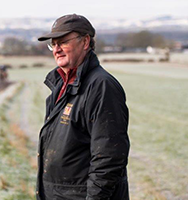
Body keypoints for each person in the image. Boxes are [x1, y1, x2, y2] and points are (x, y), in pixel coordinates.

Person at [35, 14, 129, 199]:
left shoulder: (101, 87)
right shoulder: (60, 86)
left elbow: (108, 159)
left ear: (85, 42)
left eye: (63, 42)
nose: (57, 49)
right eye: (53, 44)